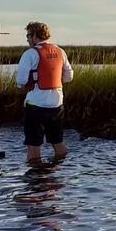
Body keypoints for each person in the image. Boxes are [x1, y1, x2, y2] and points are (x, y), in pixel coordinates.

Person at [16, 21, 73, 165]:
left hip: (35, 105)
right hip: (57, 104)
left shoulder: (29, 54)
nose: (27, 39)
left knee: (33, 144)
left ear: (35, 35)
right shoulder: (60, 51)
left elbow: (21, 81)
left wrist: (24, 84)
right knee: (57, 141)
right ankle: (60, 169)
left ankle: (36, 178)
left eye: (28, 35)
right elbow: (69, 76)